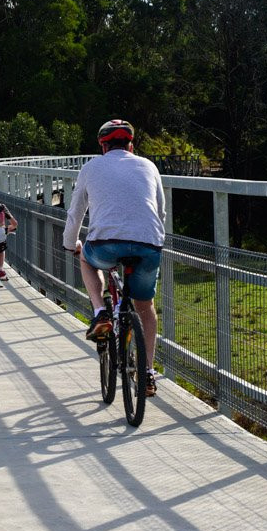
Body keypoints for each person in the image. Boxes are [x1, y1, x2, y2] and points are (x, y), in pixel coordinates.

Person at [62, 119, 166, 397]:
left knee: (86, 257)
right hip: (148, 244)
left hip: (105, 245)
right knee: (145, 308)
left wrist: (70, 243)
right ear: (132, 145)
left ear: (103, 146)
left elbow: (76, 212)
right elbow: (160, 211)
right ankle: (146, 373)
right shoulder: (149, 166)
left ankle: (100, 312)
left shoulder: (90, 167)